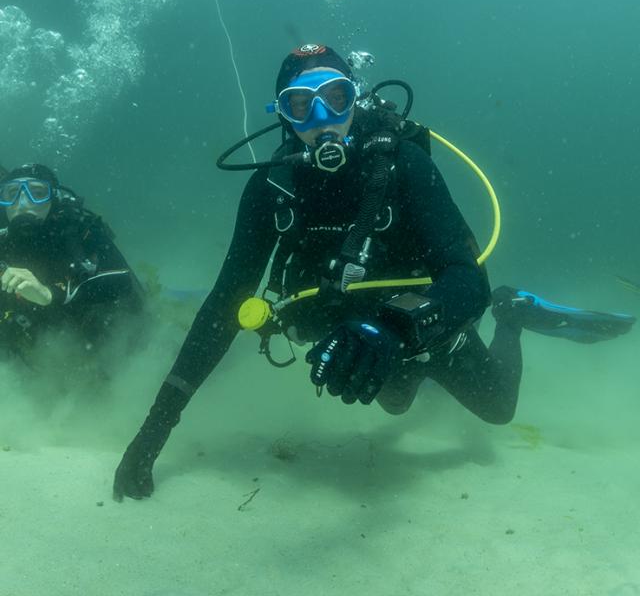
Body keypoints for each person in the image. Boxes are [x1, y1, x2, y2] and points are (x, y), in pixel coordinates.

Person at [113, 44, 635, 501]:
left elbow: (466, 279)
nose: (322, 119)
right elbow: (225, 304)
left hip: (420, 323)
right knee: (395, 400)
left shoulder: (402, 163)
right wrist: (154, 432)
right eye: (302, 105)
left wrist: (398, 327)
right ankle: (406, 372)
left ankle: (514, 314)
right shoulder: (273, 188)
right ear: (285, 116)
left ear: (355, 98)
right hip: (349, 328)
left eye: (335, 98)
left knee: (498, 409)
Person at [0, 163, 145, 366]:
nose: (23, 203)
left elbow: (124, 284)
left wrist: (50, 294)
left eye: (37, 193)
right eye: (12, 193)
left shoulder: (82, 232)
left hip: (92, 352)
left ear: (53, 198)